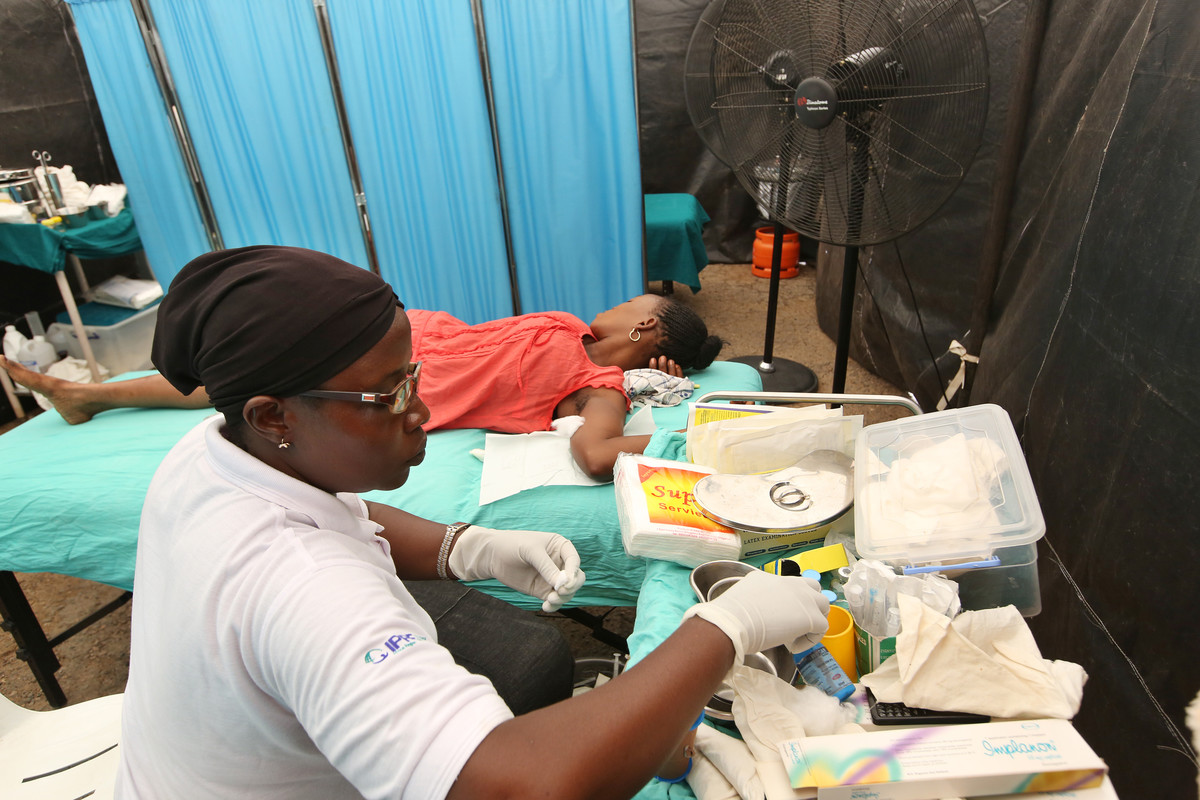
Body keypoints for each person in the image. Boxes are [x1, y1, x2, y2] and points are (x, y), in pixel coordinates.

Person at [115, 245, 830, 799]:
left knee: (537, 666)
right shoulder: (308, 591)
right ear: (273, 416)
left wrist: (467, 547)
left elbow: (342, 515)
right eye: (389, 394)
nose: (422, 410)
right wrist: (725, 630)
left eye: (414, 376)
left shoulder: (207, 453)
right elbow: (511, 785)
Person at [0, 281, 723, 480]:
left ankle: (85, 395)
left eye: (638, 302)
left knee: (255, 369)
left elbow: (595, 455)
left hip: (398, 375)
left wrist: (689, 433)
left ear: (648, 329)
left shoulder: (600, 388)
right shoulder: (577, 330)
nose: (624, 297)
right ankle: (92, 393)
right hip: (417, 333)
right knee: (261, 336)